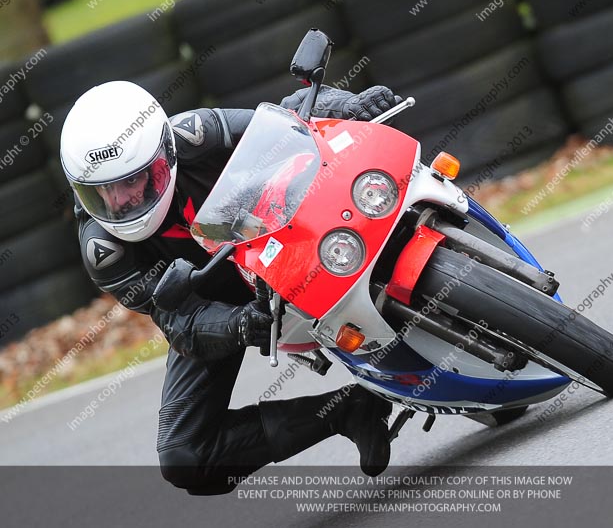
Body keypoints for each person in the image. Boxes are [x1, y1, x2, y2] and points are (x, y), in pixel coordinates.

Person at [59, 80, 400, 495]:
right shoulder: (104, 251)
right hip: (221, 305)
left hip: (284, 236)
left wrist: (349, 104)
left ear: (161, 159)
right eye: (103, 192)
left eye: (131, 182)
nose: (122, 201)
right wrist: (238, 325)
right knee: (185, 457)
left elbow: (289, 122)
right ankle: (348, 411)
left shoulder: (195, 134)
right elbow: (179, 320)